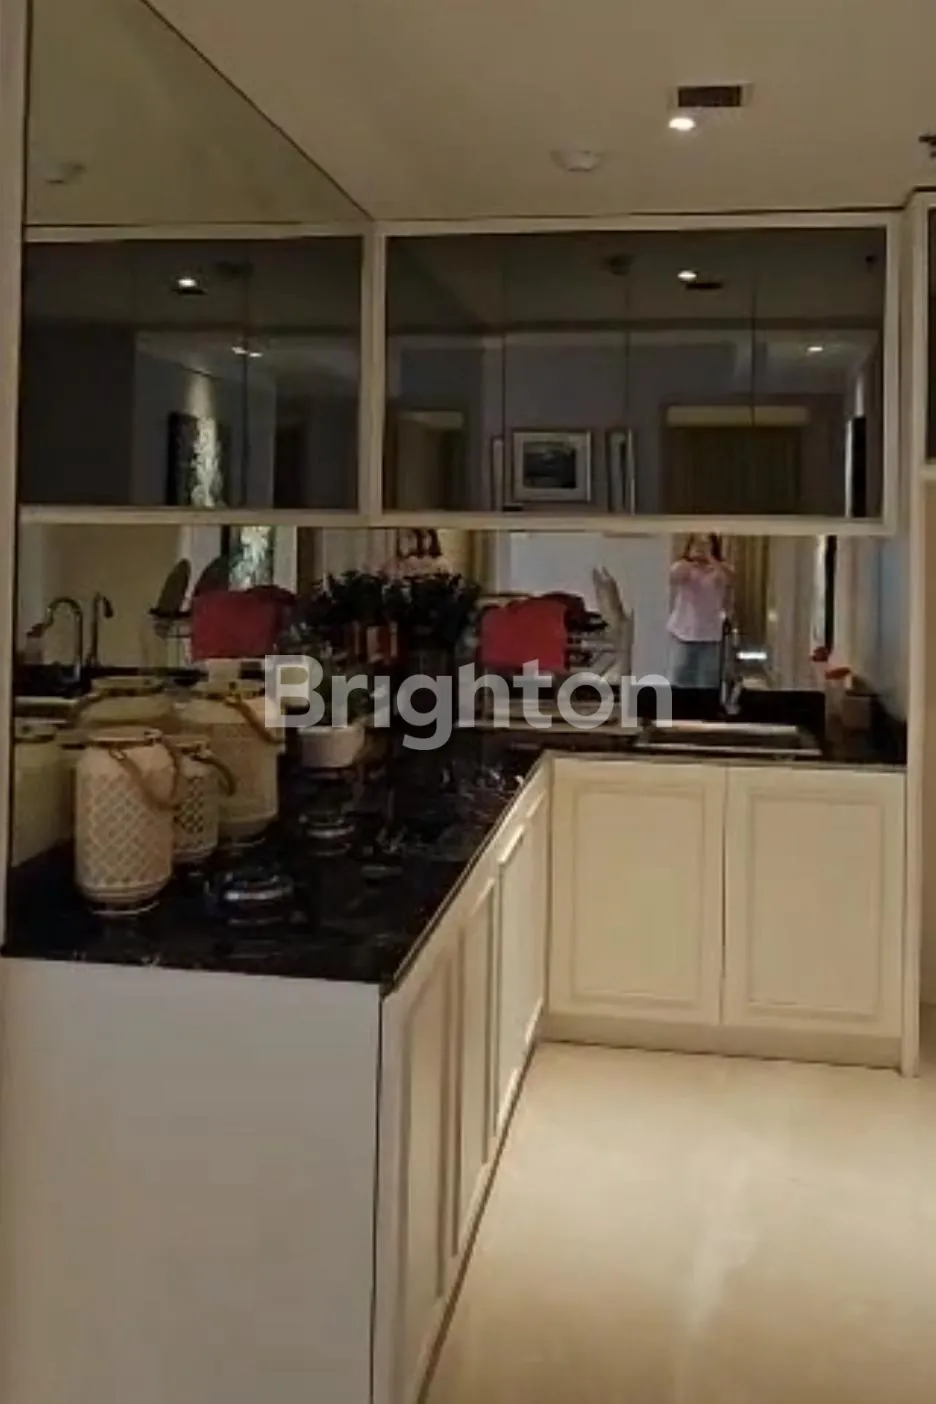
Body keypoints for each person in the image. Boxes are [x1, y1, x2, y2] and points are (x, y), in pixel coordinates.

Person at [667, 535, 734, 688]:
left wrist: (710, 560)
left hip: (710, 635)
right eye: (696, 543)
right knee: (679, 677)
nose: (700, 548)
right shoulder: (683, 566)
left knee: (708, 681)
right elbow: (675, 575)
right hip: (683, 633)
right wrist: (692, 561)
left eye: (705, 544)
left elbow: (728, 579)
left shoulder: (720, 569)